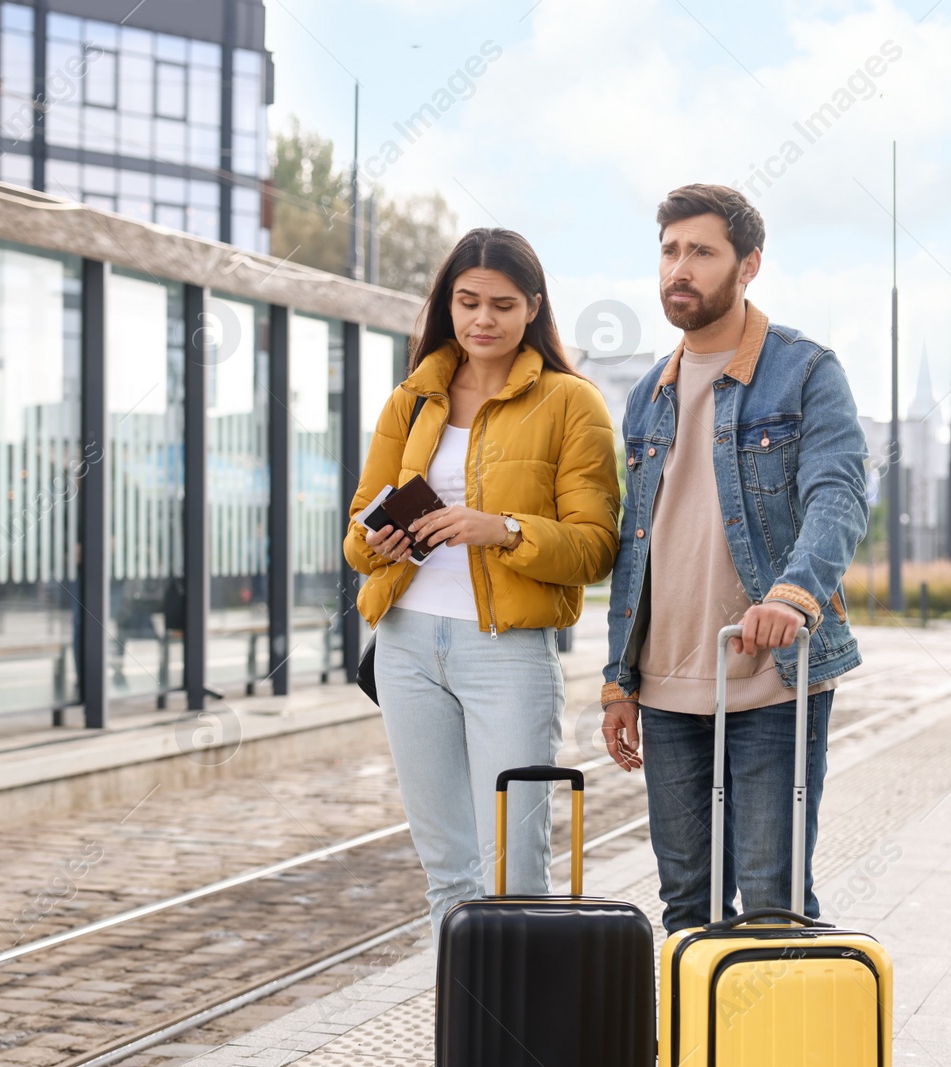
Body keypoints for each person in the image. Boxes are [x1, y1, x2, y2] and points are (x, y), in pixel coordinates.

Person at [600, 184, 868, 934]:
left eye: (701, 251)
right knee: (687, 904)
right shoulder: (647, 395)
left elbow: (838, 496)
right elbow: (635, 543)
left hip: (770, 688)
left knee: (771, 902)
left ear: (748, 264)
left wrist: (791, 595)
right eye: (669, 251)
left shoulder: (805, 372)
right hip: (666, 689)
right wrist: (617, 678)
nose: (678, 268)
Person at [343, 228, 620, 938]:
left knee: (515, 873)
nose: (482, 320)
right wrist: (379, 541)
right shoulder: (413, 399)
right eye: (467, 302)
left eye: (501, 304)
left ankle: (528, 1038)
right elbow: (355, 536)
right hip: (405, 647)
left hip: (508, 656)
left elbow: (596, 548)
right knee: (449, 875)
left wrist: (502, 529)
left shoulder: (571, 403)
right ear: (447, 304)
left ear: (533, 307)